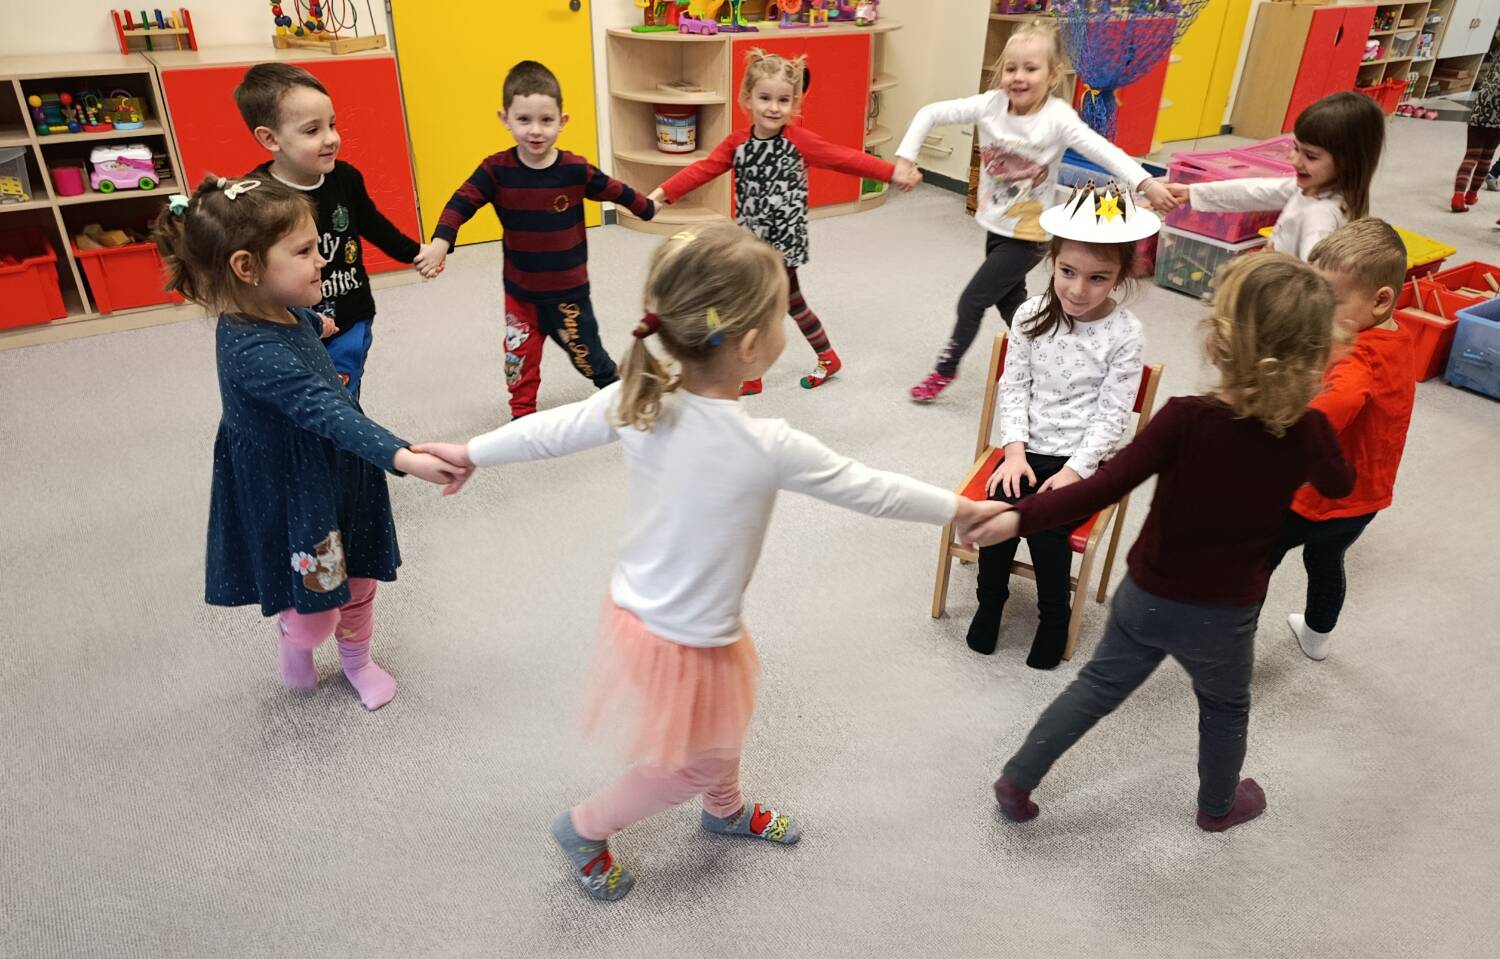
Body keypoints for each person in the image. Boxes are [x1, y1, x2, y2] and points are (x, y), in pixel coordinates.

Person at [415, 224, 1004, 900]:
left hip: (680, 614)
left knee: (723, 720)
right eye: (779, 316)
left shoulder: (641, 396)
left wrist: (473, 451)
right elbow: (871, 488)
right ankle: (584, 826)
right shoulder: (763, 441)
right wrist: (959, 508)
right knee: (686, 764)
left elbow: (550, 431)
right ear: (751, 345)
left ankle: (724, 809)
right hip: (678, 631)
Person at [974, 252, 1354, 833]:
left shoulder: (1181, 418)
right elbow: (1340, 485)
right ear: (1318, 355)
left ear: (1219, 343)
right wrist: (1313, 429)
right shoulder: (1311, 432)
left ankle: (1017, 778)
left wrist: (1015, 518)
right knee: (1225, 708)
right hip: (1225, 612)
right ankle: (1218, 807)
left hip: (1148, 593)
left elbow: (1102, 486)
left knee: (1096, 688)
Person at [151, 176, 466, 710]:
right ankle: (295, 638)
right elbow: (328, 412)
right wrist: (406, 456)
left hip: (339, 473)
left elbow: (299, 327)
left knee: (360, 580)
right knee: (315, 606)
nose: (322, 260)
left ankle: (357, 661)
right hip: (296, 488)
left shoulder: (273, 307)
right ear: (247, 267)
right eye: (303, 252)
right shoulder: (254, 352)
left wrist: (315, 324)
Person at [893, 21, 1175, 404]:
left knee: (973, 300)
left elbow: (1102, 150)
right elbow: (929, 113)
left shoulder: (1057, 118)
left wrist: (1146, 184)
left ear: (1053, 75)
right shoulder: (990, 105)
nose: (1018, 77)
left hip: (1029, 235)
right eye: (1011, 68)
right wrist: (905, 159)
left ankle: (945, 369)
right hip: (996, 226)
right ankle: (1048, 361)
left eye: (1031, 68)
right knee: (1012, 303)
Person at [648, 48, 918, 396]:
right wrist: (662, 194)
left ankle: (767, 371)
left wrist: (892, 172)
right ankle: (812, 360)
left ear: (795, 103)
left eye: (783, 100)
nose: (774, 108)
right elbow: (703, 169)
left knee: (766, 303)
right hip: (751, 241)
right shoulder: (737, 144)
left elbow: (844, 158)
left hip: (782, 244)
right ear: (747, 98)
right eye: (765, 98)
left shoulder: (799, 141)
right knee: (782, 302)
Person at [967, 185, 1156, 669]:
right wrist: (1013, 451)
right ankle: (991, 600)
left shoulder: (1125, 333)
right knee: (998, 510)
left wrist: (1075, 470)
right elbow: (1014, 387)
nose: (1077, 289)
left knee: (1046, 527)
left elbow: (1113, 415)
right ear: (1052, 262)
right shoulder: (1030, 316)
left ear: (1119, 277)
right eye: (1067, 271)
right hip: (1026, 447)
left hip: (1084, 459)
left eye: (1097, 278)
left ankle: (1054, 616)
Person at [414, 60, 657, 419]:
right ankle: (522, 417)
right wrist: (440, 242)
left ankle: (619, 395)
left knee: (589, 356)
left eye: (546, 120)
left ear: (562, 121)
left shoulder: (574, 169)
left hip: (569, 295)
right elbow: (461, 202)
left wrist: (646, 207)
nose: (536, 130)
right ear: (505, 119)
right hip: (521, 295)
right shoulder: (496, 170)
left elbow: (613, 189)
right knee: (518, 360)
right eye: (524, 119)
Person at [236, 63, 437, 401]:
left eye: (332, 124)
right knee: (301, 401)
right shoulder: (257, 197)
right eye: (312, 130)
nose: (331, 138)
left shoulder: (346, 178)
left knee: (340, 398)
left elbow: (373, 224)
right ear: (270, 138)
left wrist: (415, 253)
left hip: (349, 318)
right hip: (290, 326)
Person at [1270, 219, 1415, 661]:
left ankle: (1229, 649)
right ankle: (1316, 637)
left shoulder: (1355, 359)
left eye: (1329, 302)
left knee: (1255, 560)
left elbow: (1331, 407)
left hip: (1312, 498)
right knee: (1325, 560)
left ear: (1380, 300)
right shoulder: (1398, 337)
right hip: (1365, 498)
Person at [1165, 91, 1385, 259]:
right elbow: (1255, 191)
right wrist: (1192, 192)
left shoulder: (1320, 216)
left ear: (1347, 163)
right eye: (1296, 148)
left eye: (1310, 156)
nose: (1295, 160)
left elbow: (1317, 282)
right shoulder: (1312, 189)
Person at [1452, 64, 1500, 211]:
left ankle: (1458, 197)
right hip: (1497, 120)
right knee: (1486, 158)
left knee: (1471, 157)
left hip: (1480, 111)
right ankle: (1471, 195)